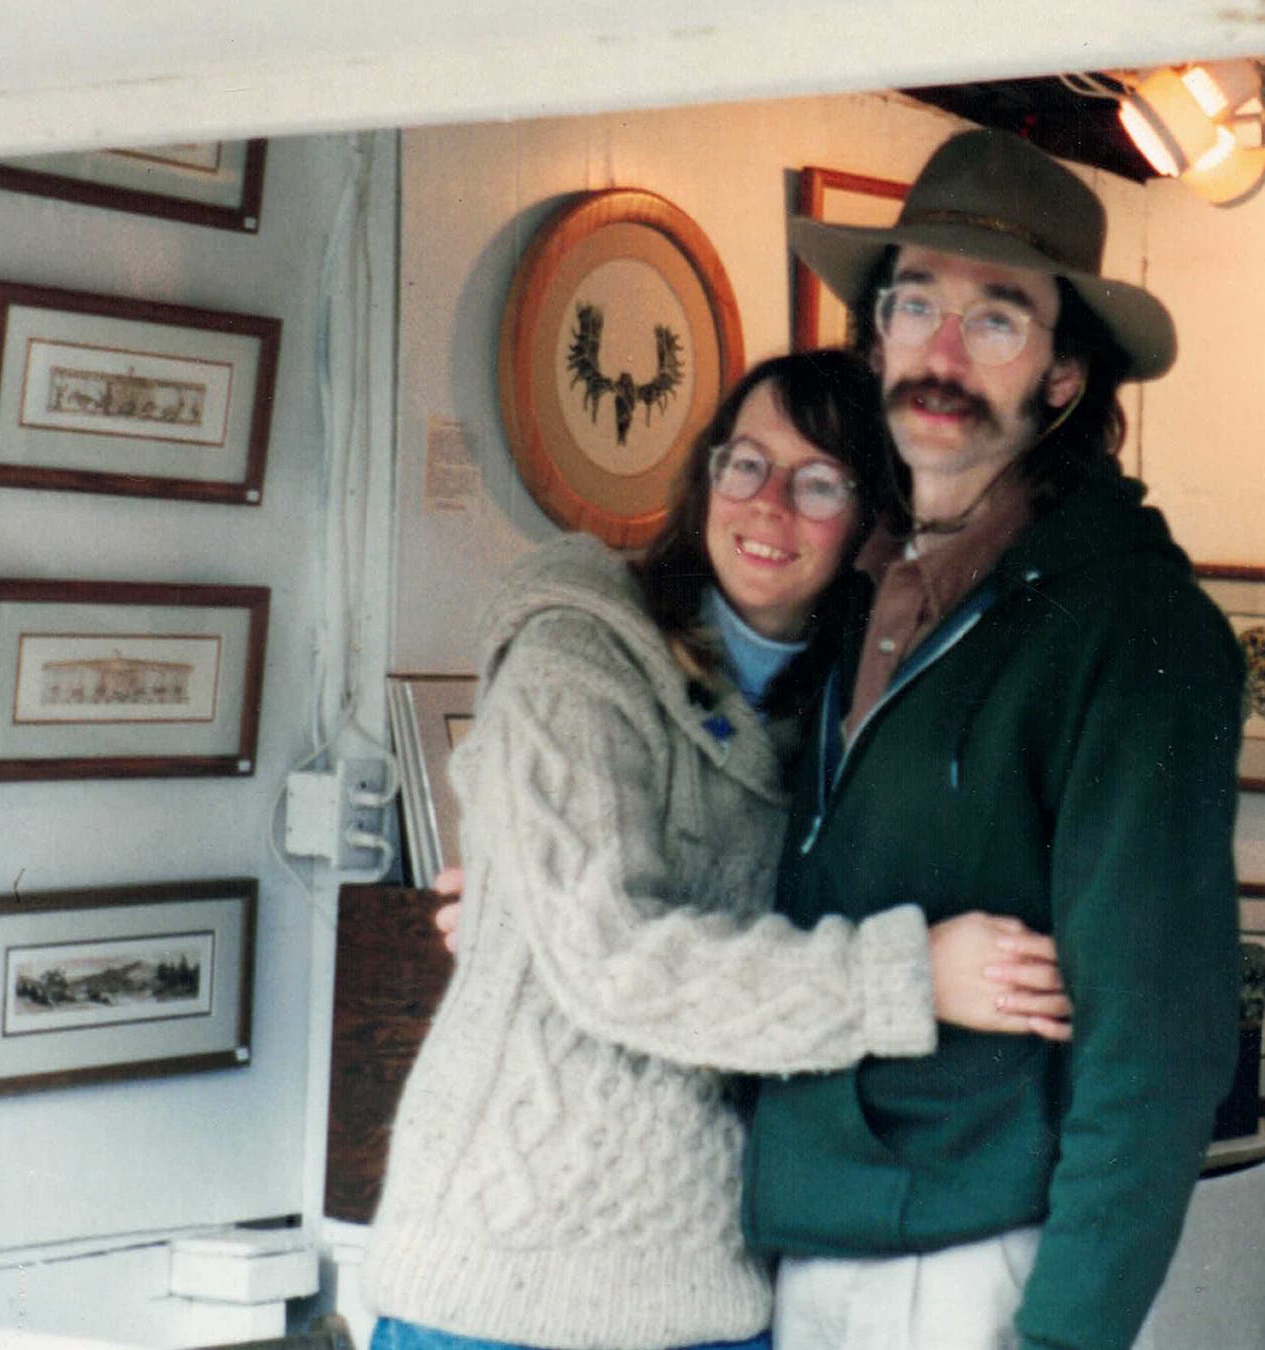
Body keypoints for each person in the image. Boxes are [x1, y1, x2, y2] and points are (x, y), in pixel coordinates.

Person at [363, 350, 1071, 1350]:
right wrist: (909, 974)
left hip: (719, 1293)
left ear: (874, 524)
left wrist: (523, 908)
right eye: (745, 463)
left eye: (819, 481)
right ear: (706, 475)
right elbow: (611, 961)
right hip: (506, 1289)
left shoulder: (849, 718)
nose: (768, 503)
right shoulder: (580, 655)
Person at [746, 128, 1246, 1350]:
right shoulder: (847, 588)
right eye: (915, 304)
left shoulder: (1134, 630)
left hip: (969, 1272)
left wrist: (1065, 1337)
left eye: (997, 320)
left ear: (1065, 379)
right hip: (794, 1239)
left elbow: (1158, 1044)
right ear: (873, 338)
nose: (941, 354)